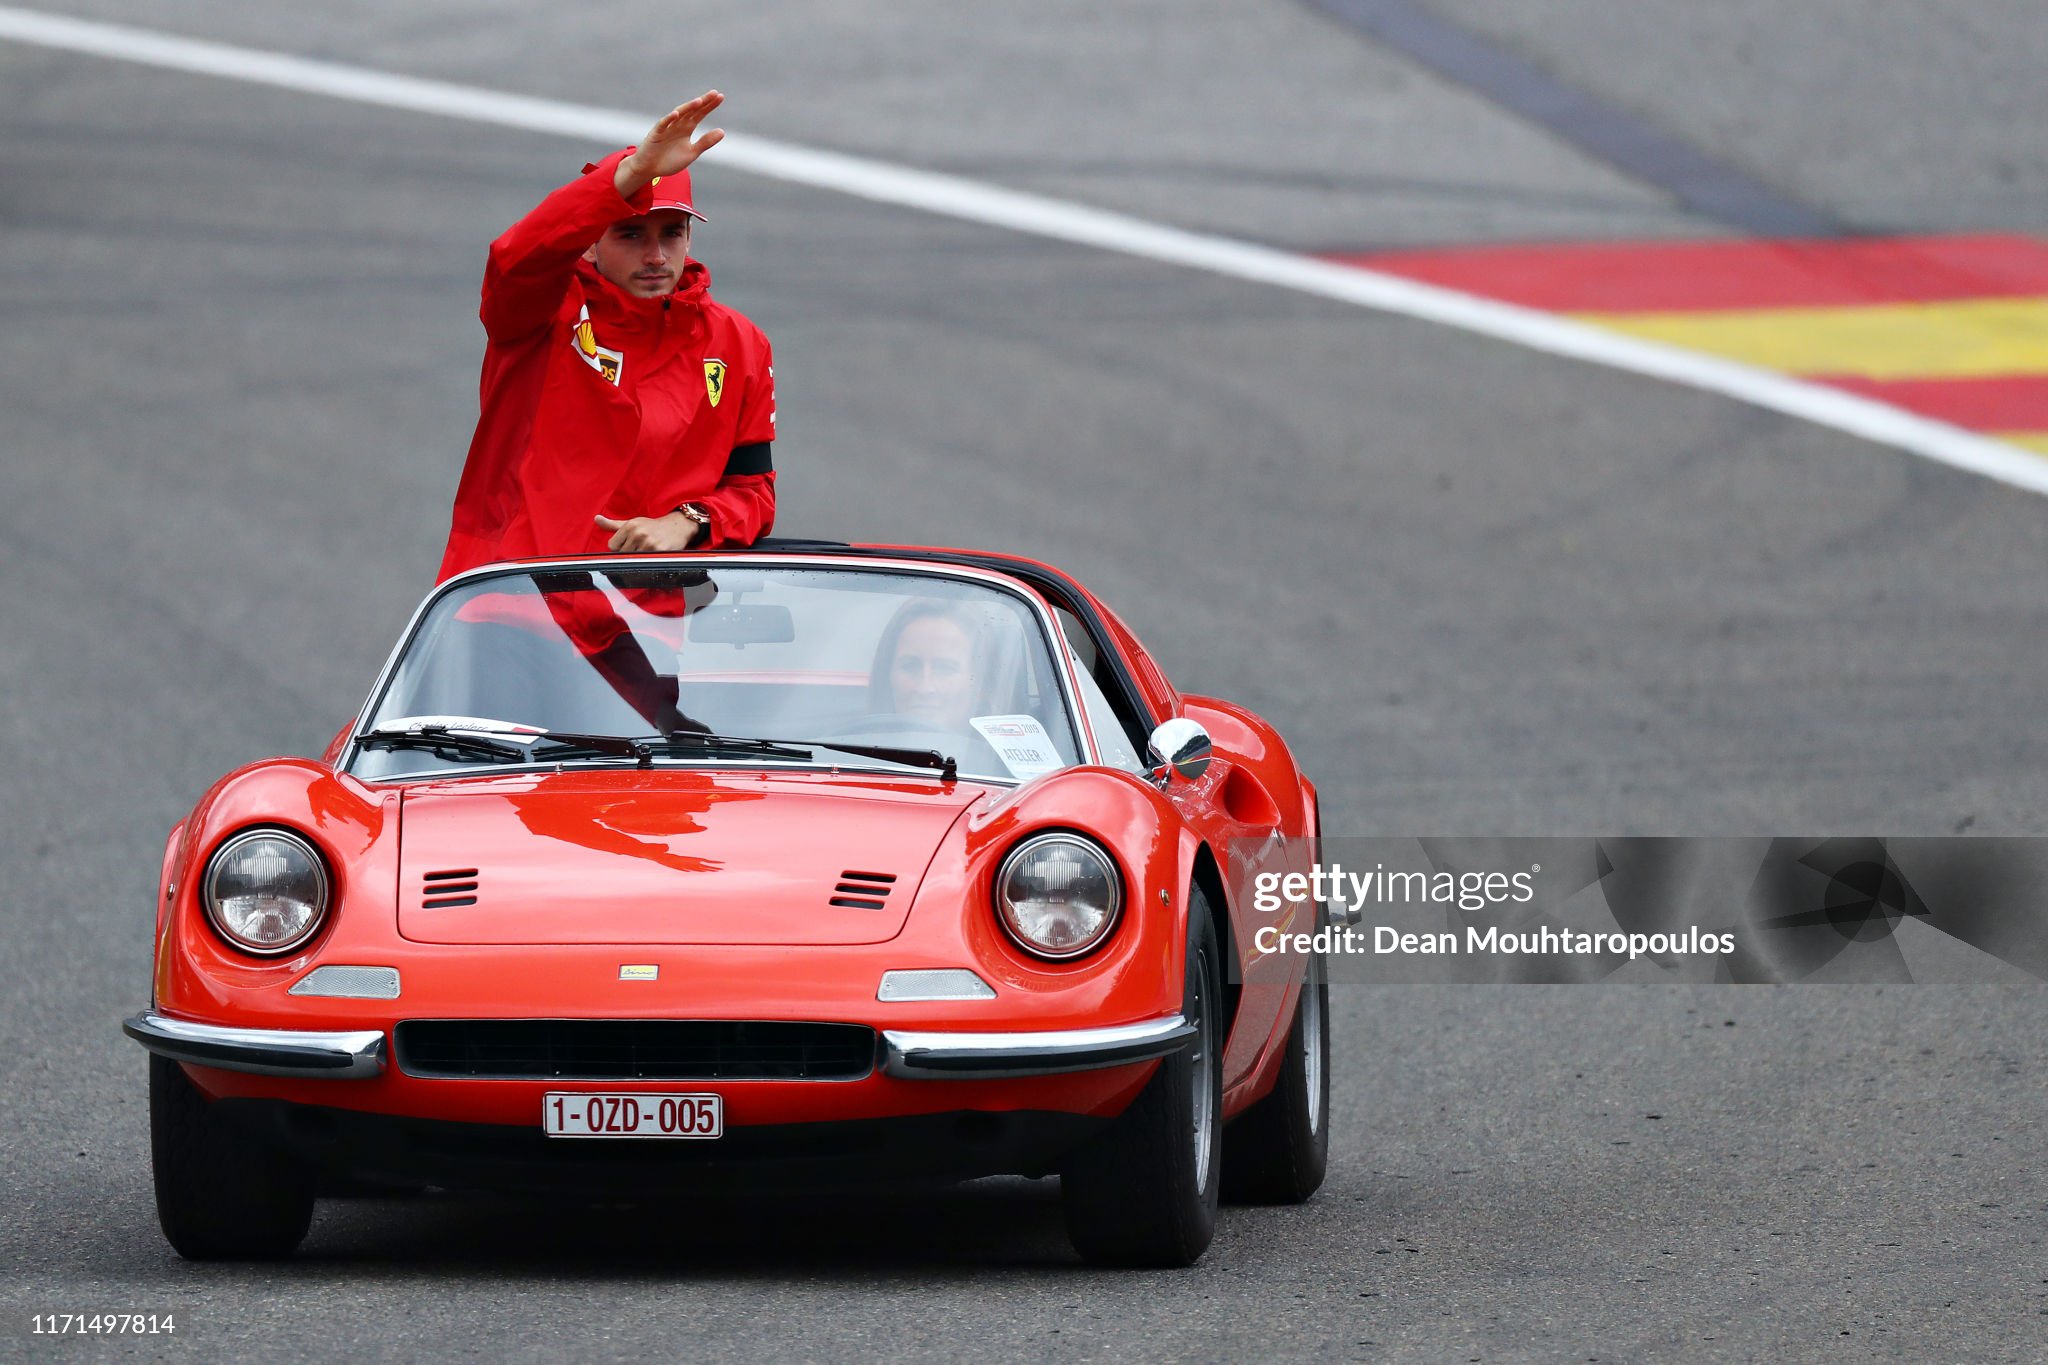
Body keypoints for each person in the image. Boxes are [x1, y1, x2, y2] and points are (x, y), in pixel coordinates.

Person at [438, 91, 777, 583]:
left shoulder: (740, 342)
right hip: (512, 600)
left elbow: (753, 491)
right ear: (591, 242)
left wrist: (687, 521)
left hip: (647, 618)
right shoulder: (542, 312)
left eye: (671, 233)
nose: (657, 255)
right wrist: (629, 177)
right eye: (631, 234)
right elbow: (516, 259)